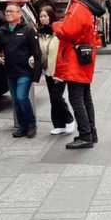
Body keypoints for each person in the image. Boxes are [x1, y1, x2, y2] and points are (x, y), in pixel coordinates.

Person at [54, 0, 105, 150]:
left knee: (76, 98)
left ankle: (85, 135)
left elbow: (68, 31)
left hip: (75, 59)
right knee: (84, 97)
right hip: (83, 57)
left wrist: (56, 26)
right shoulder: (88, 8)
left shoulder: (78, 7)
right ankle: (91, 132)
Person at [0, 3, 44, 138]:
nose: (8, 13)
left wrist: (37, 74)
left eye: (11, 11)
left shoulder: (28, 30)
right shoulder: (2, 31)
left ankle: (31, 124)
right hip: (10, 71)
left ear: (19, 14)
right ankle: (22, 126)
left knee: (22, 98)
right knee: (16, 100)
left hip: (25, 72)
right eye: (6, 11)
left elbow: (37, 52)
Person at [36, 7, 75, 136]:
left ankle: (69, 119)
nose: (43, 19)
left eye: (45, 16)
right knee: (53, 98)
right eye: (41, 16)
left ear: (51, 17)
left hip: (59, 71)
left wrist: (63, 71)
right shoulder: (40, 33)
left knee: (56, 96)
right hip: (48, 71)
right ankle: (59, 124)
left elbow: (65, 52)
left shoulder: (58, 32)